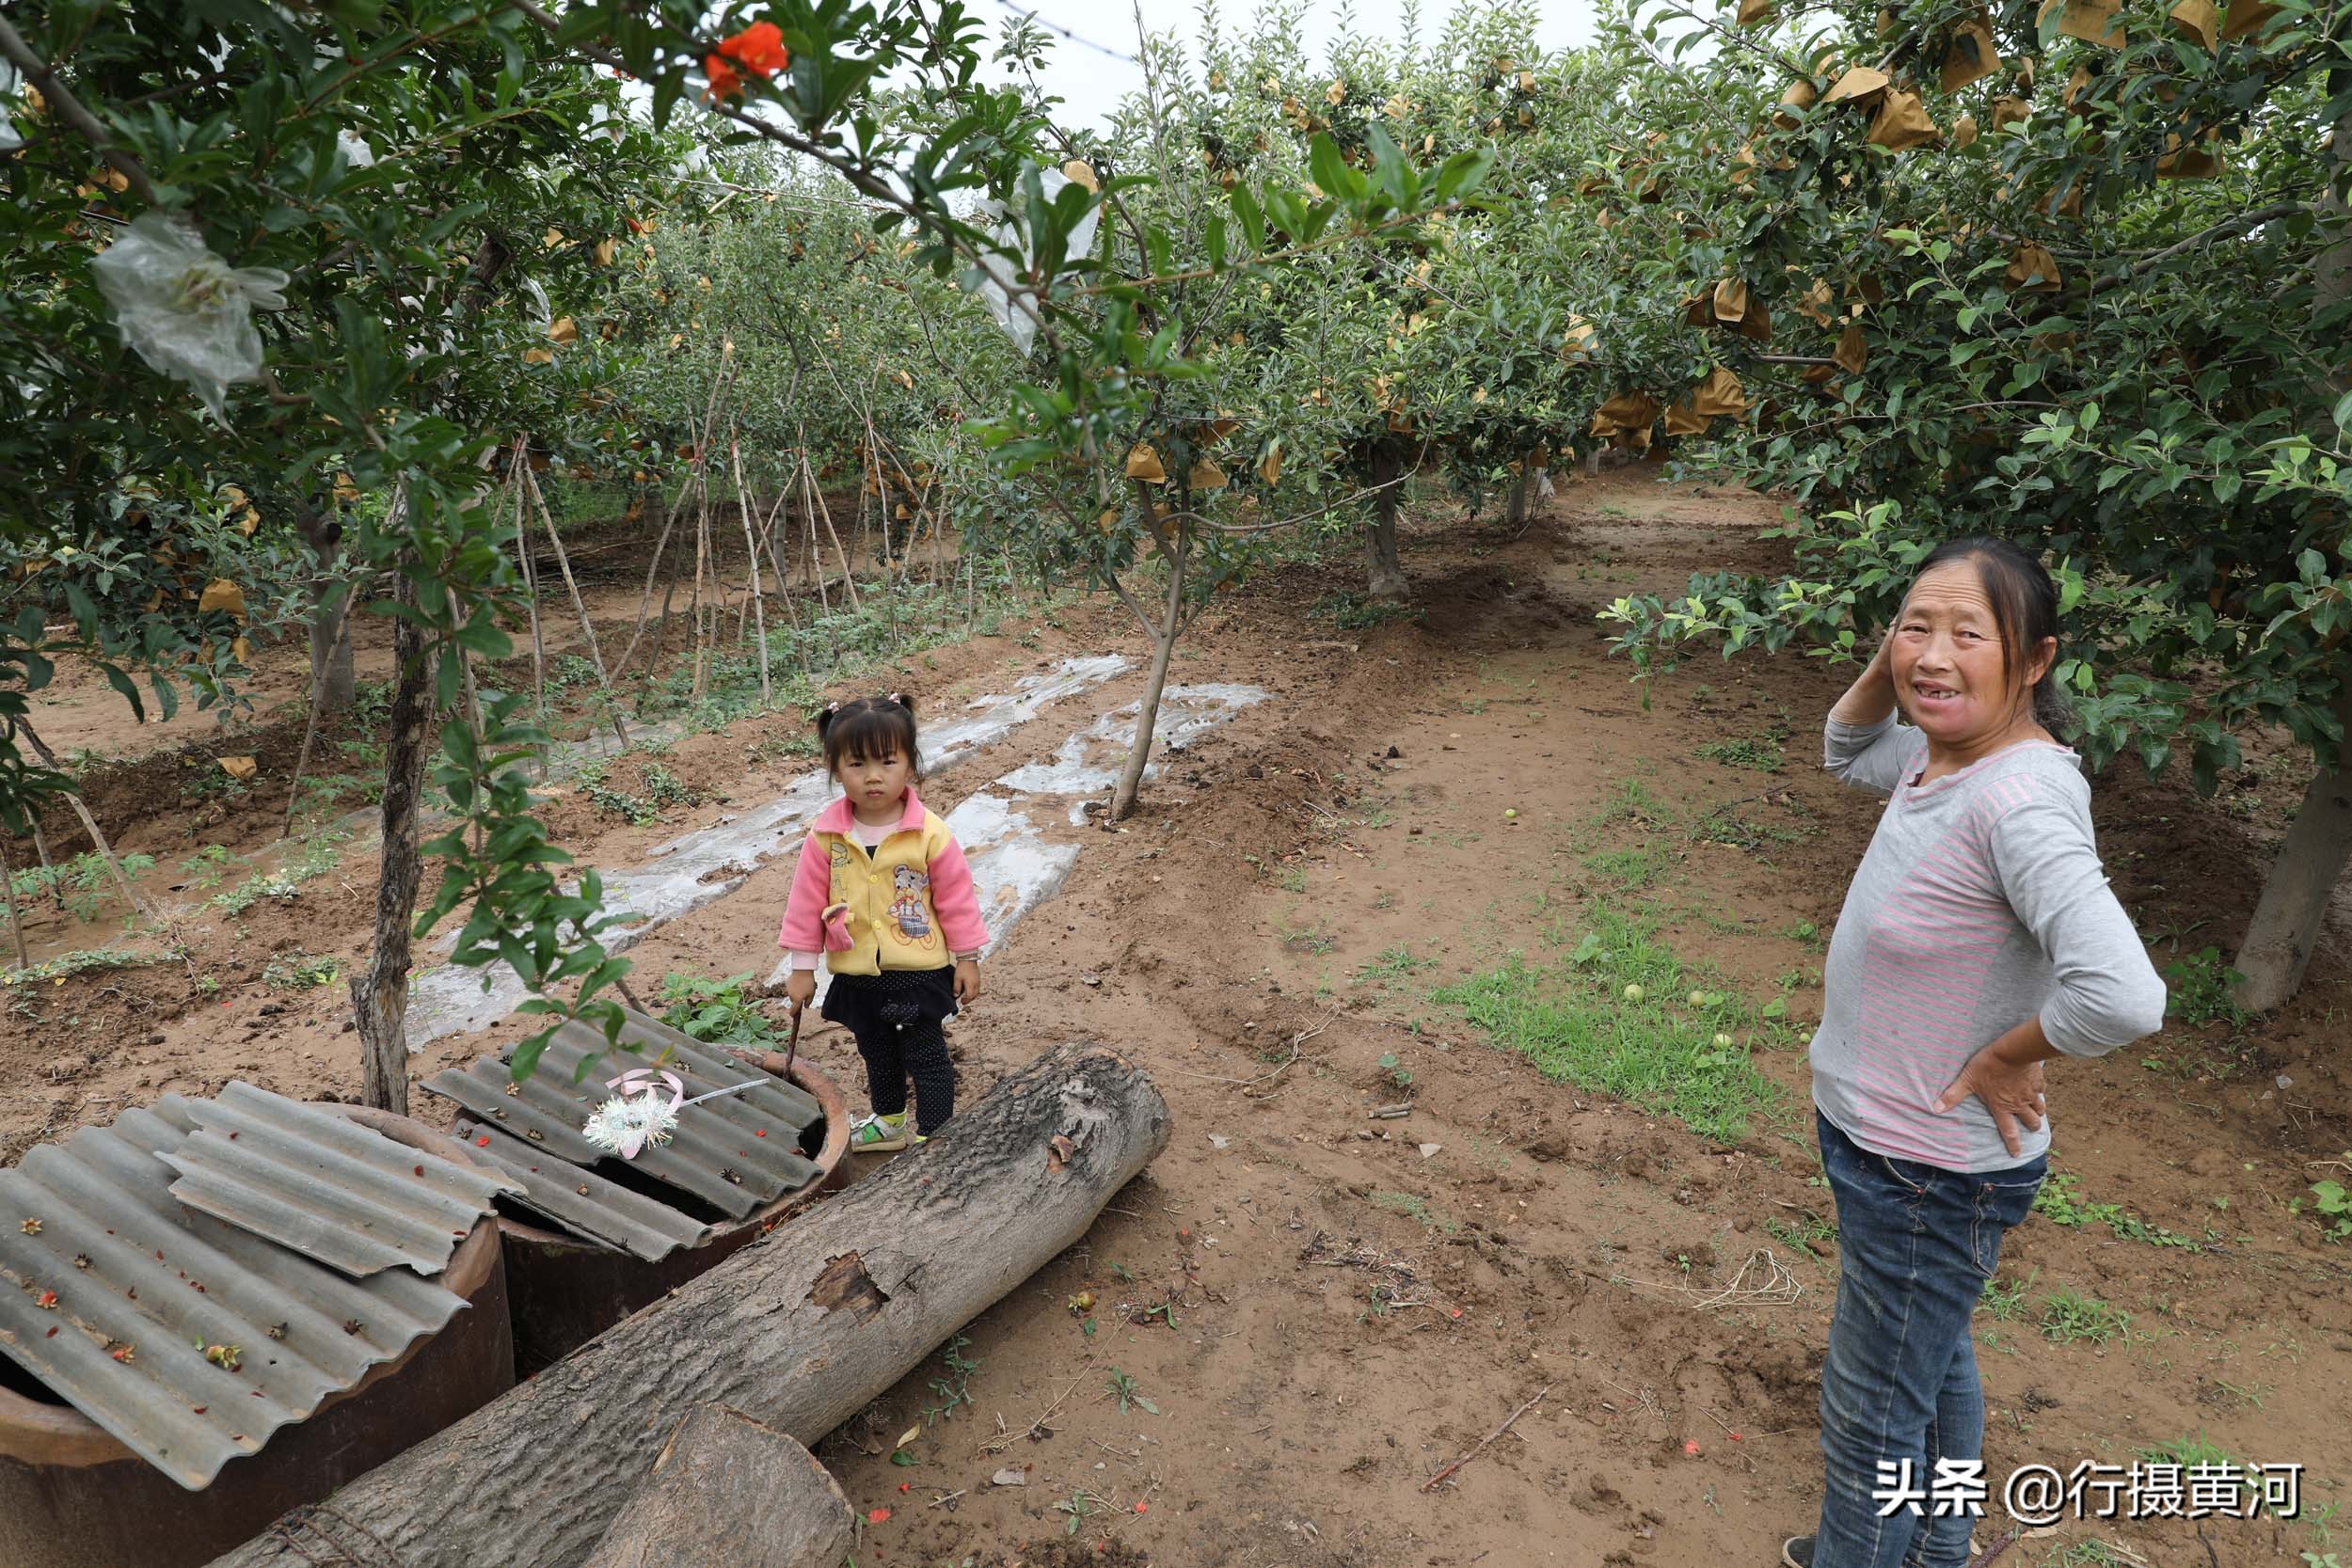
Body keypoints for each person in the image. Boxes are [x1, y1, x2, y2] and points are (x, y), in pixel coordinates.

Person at [1786, 537, 2167, 1568]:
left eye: (1969, 632)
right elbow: (1842, 745)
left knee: (1870, 1422)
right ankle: (1938, 1545)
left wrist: (2009, 1050)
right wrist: (1901, 662)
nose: (1934, 654)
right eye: (1918, 623)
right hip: (1889, 1146)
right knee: (1935, 1359)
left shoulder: (2019, 798)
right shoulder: (1933, 752)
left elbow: (2125, 994)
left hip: (1926, 1171)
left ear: (2034, 659)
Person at [777, 693, 987, 1152]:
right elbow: (805, 902)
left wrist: (967, 958)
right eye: (856, 764)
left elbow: (957, 900)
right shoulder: (825, 837)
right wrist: (800, 968)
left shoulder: (929, 833)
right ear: (836, 770)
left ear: (910, 764)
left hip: (919, 971)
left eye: (887, 761)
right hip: (858, 973)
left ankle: (936, 1134)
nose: (873, 776)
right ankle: (889, 1122)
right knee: (876, 1051)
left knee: (926, 1054)